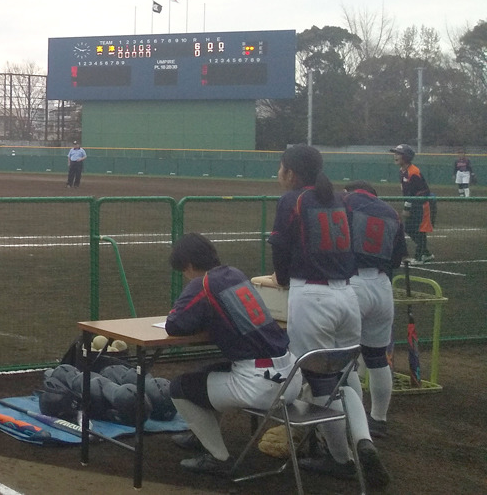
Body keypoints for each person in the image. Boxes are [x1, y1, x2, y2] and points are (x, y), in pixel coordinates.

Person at [270, 144, 388, 486]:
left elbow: (280, 251)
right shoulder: (337, 198)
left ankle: (341, 460)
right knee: (347, 377)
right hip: (346, 295)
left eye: (281, 169)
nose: (279, 175)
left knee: (322, 384)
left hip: (312, 296)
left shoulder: (292, 200)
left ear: (291, 173)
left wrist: (281, 279)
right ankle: (363, 440)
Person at [163, 233, 294, 475]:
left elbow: (175, 324)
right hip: (290, 373)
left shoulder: (203, 283)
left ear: (190, 265)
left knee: (179, 388)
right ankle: (200, 434)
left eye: (184, 269)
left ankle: (218, 458)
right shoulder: (235, 273)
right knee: (207, 374)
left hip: (259, 382)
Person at [343, 181, 407, 439]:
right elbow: (396, 259)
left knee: (345, 360)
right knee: (377, 358)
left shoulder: (344, 202)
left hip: (352, 283)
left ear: (350, 191)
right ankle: (378, 419)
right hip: (382, 286)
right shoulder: (390, 212)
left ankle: (355, 423)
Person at [391, 144, 434, 262]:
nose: (395, 156)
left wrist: (407, 207)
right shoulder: (402, 171)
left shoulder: (413, 171)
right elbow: (408, 192)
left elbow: (423, 191)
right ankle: (425, 253)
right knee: (409, 229)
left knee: (419, 230)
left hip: (422, 204)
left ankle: (420, 256)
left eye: (398, 154)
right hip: (414, 204)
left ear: (406, 157)